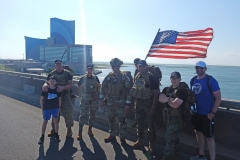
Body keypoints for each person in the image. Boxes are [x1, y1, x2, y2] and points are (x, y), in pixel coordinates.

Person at [190, 61, 221, 160]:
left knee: (209, 138)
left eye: (201, 68)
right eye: (197, 68)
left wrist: (212, 113)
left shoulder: (210, 80)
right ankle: (201, 155)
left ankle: (212, 158)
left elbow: (218, 98)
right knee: (198, 133)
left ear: (205, 69)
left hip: (207, 114)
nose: (199, 70)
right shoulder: (193, 80)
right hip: (196, 113)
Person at [99, 58, 131, 146]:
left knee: (122, 122)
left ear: (120, 66)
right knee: (111, 120)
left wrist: (128, 104)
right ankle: (112, 135)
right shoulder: (109, 77)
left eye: (117, 66)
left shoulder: (124, 77)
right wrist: (101, 100)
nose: (115, 68)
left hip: (121, 104)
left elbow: (129, 91)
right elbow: (103, 88)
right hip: (110, 103)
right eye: (113, 66)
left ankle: (122, 138)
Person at [130, 60, 159, 155]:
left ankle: (151, 145)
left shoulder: (151, 77)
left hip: (148, 103)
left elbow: (155, 93)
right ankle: (140, 141)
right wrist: (133, 103)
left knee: (150, 125)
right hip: (139, 103)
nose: (140, 68)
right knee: (139, 123)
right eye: (139, 66)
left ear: (146, 67)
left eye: (142, 66)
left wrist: (153, 107)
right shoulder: (137, 76)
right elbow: (135, 90)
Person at [159, 71, 188, 160]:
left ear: (180, 79)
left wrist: (167, 100)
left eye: (176, 78)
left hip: (177, 119)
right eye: (172, 78)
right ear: (170, 79)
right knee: (174, 138)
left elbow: (176, 105)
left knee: (169, 138)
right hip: (167, 118)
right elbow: (160, 99)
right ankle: (176, 155)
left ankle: (167, 157)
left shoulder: (182, 91)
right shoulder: (166, 89)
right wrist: (170, 99)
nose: (174, 80)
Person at [42, 59, 74, 138]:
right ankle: (54, 129)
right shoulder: (52, 73)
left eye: (60, 64)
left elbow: (71, 84)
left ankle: (69, 129)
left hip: (65, 94)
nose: (58, 66)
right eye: (57, 64)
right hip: (55, 96)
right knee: (55, 113)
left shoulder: (67, 73)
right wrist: (44, 85)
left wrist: (63, 87)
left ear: (62, 65)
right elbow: (47, 81)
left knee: (67, 112)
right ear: (55, 65)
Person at [77, 63, 101, 140]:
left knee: (92, 115)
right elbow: (79, 88)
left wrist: (97, 84)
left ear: (92, 69)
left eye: (91, 69)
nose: (90, 70)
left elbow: (100, 87)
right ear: (86, 69)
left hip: (94, 99)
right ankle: (80, 132)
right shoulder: (83, 78)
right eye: (88, 68)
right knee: (83, 115)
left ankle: (90, 130)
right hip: (85, 99)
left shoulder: (96, 78)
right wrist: (83, 84)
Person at [38, 76, 62, 144]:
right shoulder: (45, 89)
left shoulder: (57, 90)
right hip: (46, 108)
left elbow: (59, 99)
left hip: (55, 108)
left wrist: (59, 109)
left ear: (56, 82)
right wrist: (42, 109)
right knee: (44, 122)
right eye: (51, 81)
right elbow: (41, 99)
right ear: (48, 82)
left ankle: (56, 135)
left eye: (54, 81)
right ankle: (42, 136)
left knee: (56, 122)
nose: (52, 82)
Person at [130, 58, 141, 128]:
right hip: (137, 92)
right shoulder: (136, 71)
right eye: (135, 64)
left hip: (145, 93)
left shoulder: (146, 71)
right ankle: (136, 121)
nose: (136, 65)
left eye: (137, 64)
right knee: (136, 107)